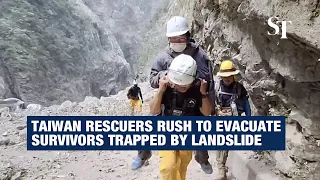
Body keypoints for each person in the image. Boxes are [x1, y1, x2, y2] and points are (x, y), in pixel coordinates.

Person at [138, 15, 214, 174]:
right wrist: (164, 78)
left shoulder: (200, 56)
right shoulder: (163, 57)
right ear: (168, 39)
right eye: (174, 39)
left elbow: (209, 79)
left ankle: (202, 157)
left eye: (181, 38)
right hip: (169, 98)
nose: (177, 42)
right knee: (151, 120)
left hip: (193, 97)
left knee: (202, 126)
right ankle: (144, 153)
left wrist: (193, 81)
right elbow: (152, 78)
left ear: (188, 36)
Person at [149, 54, 212, 180]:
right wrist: (161, 90)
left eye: (185, 86)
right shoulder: (166, 86)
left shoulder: (198, 88)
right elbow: (154, 111)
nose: (181, 88)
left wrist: (203, 94)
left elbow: (206, 112)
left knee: (181, 166)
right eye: (178, 85)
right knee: (168, 167)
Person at [213, 60, 252, 180]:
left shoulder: (240, 88)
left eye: (230, 76)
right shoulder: (216, 87)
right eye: (225, 77)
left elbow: (246, 104)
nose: (227, 79)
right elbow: (211, 103)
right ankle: (221, 168)